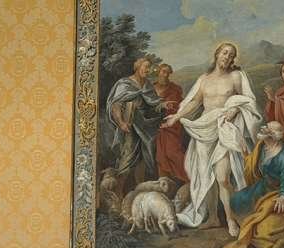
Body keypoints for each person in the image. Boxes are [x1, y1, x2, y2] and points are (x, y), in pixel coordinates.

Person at [163, 42, 261, 236]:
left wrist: (234, 109)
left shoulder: (236, 76)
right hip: (205, 129)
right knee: (205, 175)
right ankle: (213, 218)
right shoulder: (204, 79)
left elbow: (248, 100)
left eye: (231, 55)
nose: (227, 57)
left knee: (222, 177)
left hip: (224, 129)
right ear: (217, 54)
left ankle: (231, 219)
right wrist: (176, 117)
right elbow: (194, 101)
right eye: (225, 53)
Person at [220, 121, 284, 248]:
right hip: (263, 188)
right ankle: (252, 224)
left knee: (266, 231)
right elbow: (252, 162)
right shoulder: (262, 146)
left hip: (278, 192)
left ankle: (269, 225)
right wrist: (244, 152)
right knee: (237, 200)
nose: (263, 129)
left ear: (273, 135)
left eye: (267, 128)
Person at [105, 58, 168, 195]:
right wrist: (121, 123)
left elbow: (152, 106)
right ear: (137, 67)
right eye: (146, 67)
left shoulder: (147, 85)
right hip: (130, 125)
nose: (148, 70)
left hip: (145, 128)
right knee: (127, 159)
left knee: (143, 160)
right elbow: (116, 105)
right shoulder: (124, 84)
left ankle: (140, 192)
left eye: (149, 68)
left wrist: (162, 105)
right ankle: (118, 193)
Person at [153, 64, 188, 185]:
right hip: (154, 125)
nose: (165, 75)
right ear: (158, 72)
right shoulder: (150, 89)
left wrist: (174, 114)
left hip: (172, 125)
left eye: (168, 72)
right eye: (163, 71)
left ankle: (189, 178)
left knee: (173, 152)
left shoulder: (175, 89)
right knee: (160, 156)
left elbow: (181, 106)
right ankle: (164, 183)